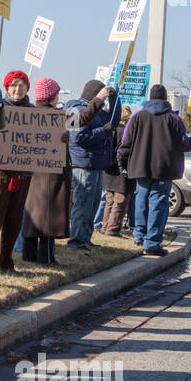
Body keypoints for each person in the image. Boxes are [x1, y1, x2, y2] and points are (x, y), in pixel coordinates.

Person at [22, 77, 112, 265]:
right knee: (49, 215)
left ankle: (28, 254)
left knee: (32, 212)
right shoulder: (57, 117)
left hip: (31, 173)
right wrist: (99, 99)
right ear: (52, 96)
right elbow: (83, 119)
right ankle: (46, 257)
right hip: (52, 173)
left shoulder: (28, 114)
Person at [117, 84, 191, 256]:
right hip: (164, 168)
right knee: (158, 204)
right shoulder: (173, 119)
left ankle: (139, 236)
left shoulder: (137, 117)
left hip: (139, 167)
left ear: (150, 98)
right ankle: (152, 242)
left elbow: (125, 143)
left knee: (141, 201)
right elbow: (185, 144)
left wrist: (122, 162)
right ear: (166, 99)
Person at [0, 71, 33, 273]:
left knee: (14, 220)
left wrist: (60, 138)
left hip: (23, 173)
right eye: (13, 85)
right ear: (7, 88)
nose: (17, 89)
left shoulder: (34, 112)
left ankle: (6, 262)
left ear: (28, 88)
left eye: (21, 85)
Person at [64, 79, 122, 252]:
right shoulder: (74, 109)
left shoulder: (95, 111)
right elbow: (77, 138)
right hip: (83, 164)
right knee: (82, 205)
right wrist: (103, 131)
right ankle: (76, 240)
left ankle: (85, 238)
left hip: (95, 164)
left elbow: (114, 119)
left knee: (92, 206)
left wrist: (115, 99)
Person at [99, 105, 135, 236]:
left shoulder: (110, 129)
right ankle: (113, 229)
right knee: (120, 201)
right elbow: (124, 151)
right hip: (121, 170)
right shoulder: (125, 132)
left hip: (108, 170)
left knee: (110, 200)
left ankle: (105, 226)